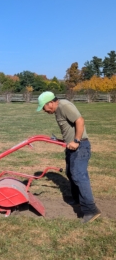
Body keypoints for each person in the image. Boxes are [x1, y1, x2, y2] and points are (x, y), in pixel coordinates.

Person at [37, 91, 101, 223]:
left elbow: (80, 120)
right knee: (71, 173)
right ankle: (77, 199)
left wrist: (76, 141)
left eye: (44, 107)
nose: (44, 111)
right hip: (72, 146)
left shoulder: (64, 106)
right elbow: (69, 128)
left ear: (50, 103)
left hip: (80, 146)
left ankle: (91, 210)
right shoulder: (58, 110)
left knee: (79, 175)